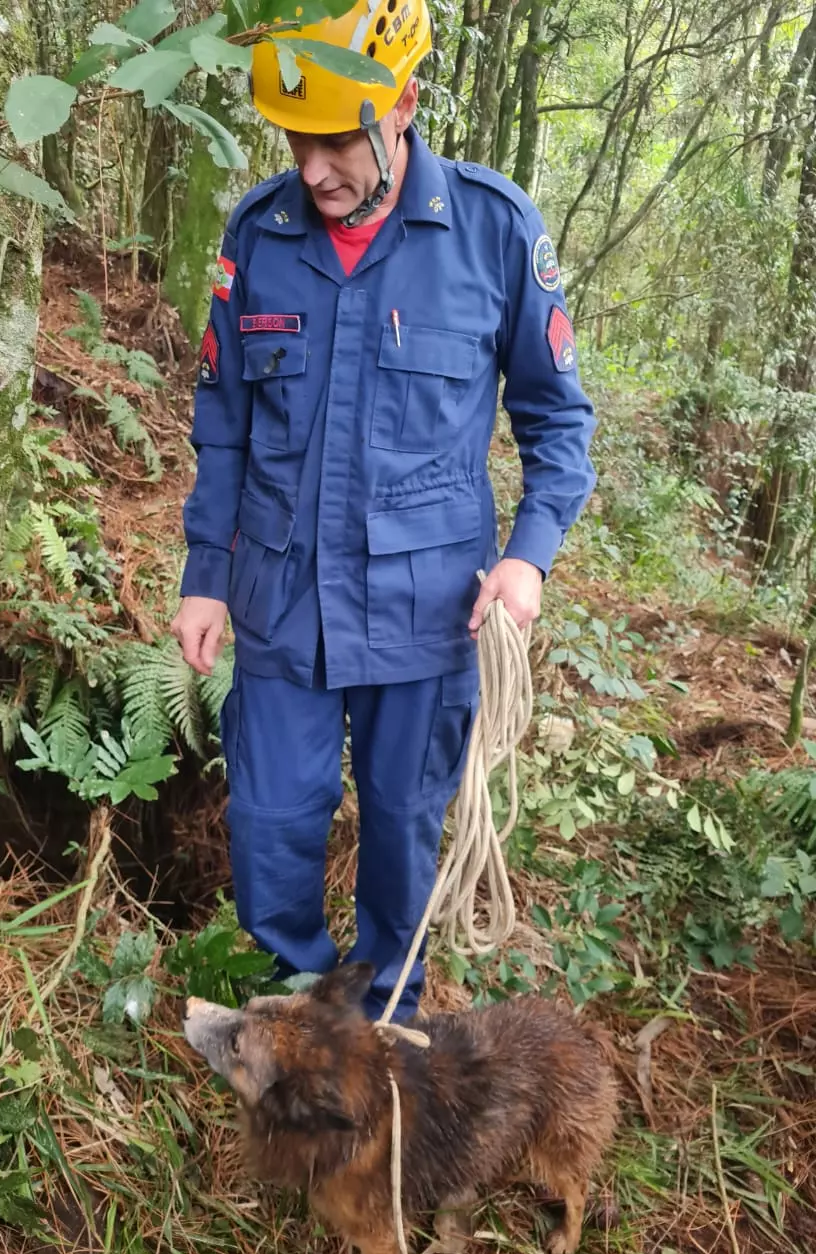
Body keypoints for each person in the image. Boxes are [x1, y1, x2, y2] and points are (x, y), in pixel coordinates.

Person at [170, 0, 598, 1022]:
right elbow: (222, 417)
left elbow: (558, 418)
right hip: (283, 599)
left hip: (428, 607)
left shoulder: (493, 231)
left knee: (404, 823)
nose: (313, 169)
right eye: (295, 140)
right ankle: (302, 998)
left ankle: (384, 1020)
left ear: (400, 106)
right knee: (271, 818)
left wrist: (530, 558)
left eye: (334, 141)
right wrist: (204, 574)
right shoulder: (259, 234)